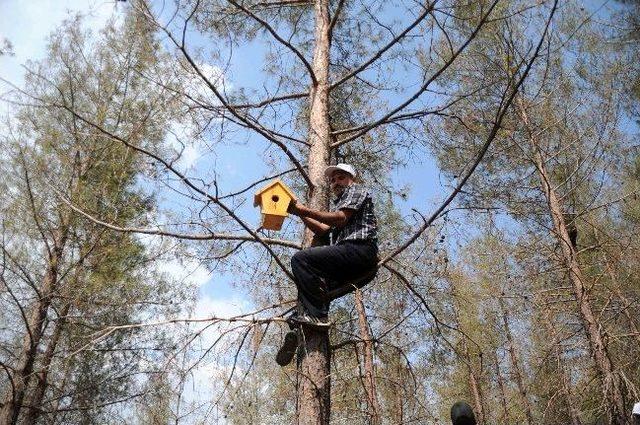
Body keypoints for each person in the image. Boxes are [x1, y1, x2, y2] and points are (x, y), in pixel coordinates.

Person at [275, 163, 378, 366]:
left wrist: (302, 208)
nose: (335, 182)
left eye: (340, 177)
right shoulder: (342, 204)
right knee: (315, 289)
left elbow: (339, 219)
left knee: (301, 259)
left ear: (351, 179)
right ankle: (299, 327)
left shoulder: (357, 191)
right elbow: (323, 230)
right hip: (352, 265)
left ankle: (318, 317)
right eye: (332, 180)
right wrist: (298, 213)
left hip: (360, 251)